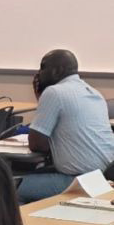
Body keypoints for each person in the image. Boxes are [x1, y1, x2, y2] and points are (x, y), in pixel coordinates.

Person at [18, 49, 114, 203]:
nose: (38, 73)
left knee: (11, 189)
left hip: (81, 181)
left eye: (42, 67)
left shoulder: (54, 93)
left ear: (57, 71)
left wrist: (42, 97)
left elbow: (36, 144)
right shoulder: (94, 93)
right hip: (105, 178)